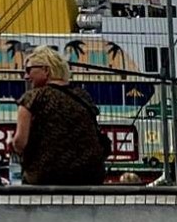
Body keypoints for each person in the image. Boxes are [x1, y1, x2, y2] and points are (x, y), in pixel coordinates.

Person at [13, 47, 107, 186]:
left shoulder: (32, 98)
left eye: (28, 70)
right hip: (89, 176)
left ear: (46, 70)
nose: (26, 76)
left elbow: (20, 142)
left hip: (45, 176)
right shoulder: (83, 96)